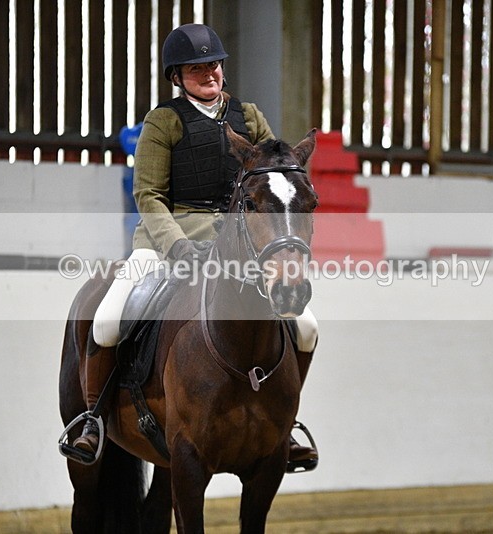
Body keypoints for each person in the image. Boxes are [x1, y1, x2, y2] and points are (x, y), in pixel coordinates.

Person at [70, 23, 319, 471]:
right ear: (177, 76)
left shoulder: (249, 115)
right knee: (107, 317)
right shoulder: (163, 121)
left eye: (214, 65)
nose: (209, 74)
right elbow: (148, 195)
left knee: (307, 326)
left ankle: (287, 423)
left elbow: (271, 175)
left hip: (239, 245)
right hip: (167, 241)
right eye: (196, 67)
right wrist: (178, 246)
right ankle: (92, 419)